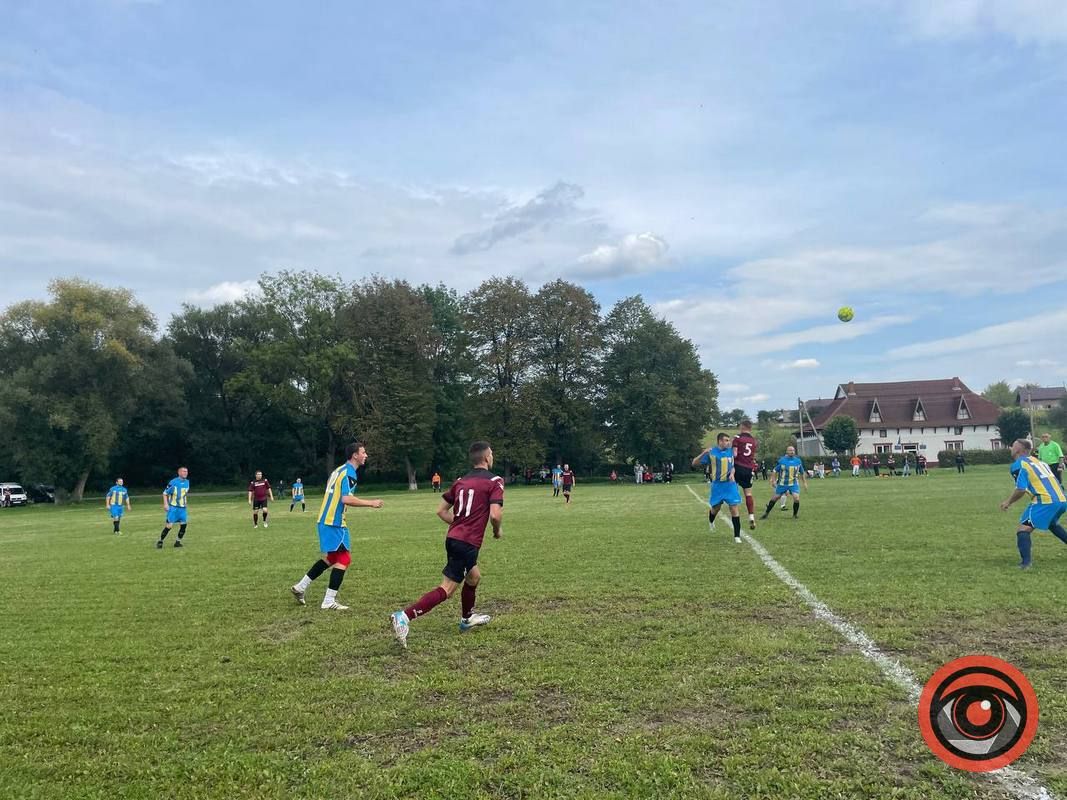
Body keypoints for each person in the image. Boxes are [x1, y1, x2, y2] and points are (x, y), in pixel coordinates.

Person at [391, 441, 502, 647]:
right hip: (467, 542)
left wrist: (460, 523)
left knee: (474, 576)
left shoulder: (461, 481)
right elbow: (495, 515)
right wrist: (496, 531)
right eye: (492, 454)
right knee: (447, 589)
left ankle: (467, 619)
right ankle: (404, 616)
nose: (493, 457)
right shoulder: (494, 481)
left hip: (453, 538)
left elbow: (441, 510)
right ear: (487, 458)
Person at [291, 442, 383, 611]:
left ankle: (300, 587)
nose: (366, 455)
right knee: (345, 559)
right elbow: (346, 499)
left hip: (324, 520)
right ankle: (328, 600)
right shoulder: (350, 473)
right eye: (363, 452)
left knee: (332, 558)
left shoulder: (338, 470)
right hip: (334, 522)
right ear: (355, 455)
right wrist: (371, 503)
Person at [1000, 438, 1067, 569]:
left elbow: (1020, 489)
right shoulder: (1040, 462)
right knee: (1052, 524)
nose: (1011, 448)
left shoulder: (1019, 464)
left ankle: (1026, 564)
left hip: (1045, 501)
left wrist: (1008, 502)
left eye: (1013, 446)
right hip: (1062, 499)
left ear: (1019, 450)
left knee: (1023, 529)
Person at [693, 433, 744, 543]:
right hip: (717, 486)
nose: (728, 442)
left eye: (729, 440)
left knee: (734, 508)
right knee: (716, 508)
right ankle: (711, 521)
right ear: (720, 441)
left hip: (730, 485)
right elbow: (694, 463)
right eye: (726, 440)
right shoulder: (711, 453)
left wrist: (732, 473)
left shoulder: (731, 452)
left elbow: (733, 465)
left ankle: (737, 536)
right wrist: (703, 453)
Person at [760, 446, 809, 521]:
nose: (792, 451)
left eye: (793, 450)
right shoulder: (782, 461)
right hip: (782, 484)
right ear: (787, 451)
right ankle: (766, 513)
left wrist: (804, 483)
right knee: (775, 498)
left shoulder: (798, 461)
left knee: (796, 498)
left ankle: (795, 515)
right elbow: (775, 471)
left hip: (793, 483)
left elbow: (802, 472)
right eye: (790, 450)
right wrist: (773, 480)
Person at [731, 420, 759, 530]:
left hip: (738, 466)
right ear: (750, 428)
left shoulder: (737, 438)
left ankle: (735, 513)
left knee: (733, 490)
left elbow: (735, 454)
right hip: (748, 468)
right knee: (748, 493)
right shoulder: (754, 441)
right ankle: (751, 516)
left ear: (742, 427)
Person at [157, 467, 190, 549]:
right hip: (173, 508)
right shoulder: (173, 482)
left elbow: (184, 494)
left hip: (182, 508)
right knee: (169, 526)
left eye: (186, 471)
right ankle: (160, 541)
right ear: (179, 473)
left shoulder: (187, 482)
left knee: (183, 525)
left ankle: (177, 542)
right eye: (183, 471)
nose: (185, 473)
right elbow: (165, 493)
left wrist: (185, 502)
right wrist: (166, 504)